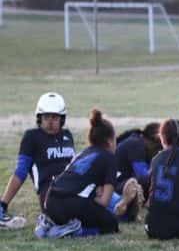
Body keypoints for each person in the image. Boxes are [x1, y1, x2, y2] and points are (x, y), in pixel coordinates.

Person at [42, 109, 125, 237]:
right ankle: (71, 232)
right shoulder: (109, 158)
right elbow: (104, 201)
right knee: (111, 223)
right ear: (109, 141)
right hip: (67, 203)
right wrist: (95, 197)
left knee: (90, 212)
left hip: (49, 200)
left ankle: (53, 224)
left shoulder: (83, 153)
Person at [1, 93, 75, 230]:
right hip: (50, 193)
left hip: (73, 187)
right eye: (46, 117)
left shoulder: (67, 135)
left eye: (55, 117)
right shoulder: (32, 137)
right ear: (39, 118)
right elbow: (20, 172)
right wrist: (3, 204)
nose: (50, 121)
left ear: (62, 118)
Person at [114, 122, 161, 220]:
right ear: (152, 141)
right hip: (117, 185)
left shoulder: (138, 142)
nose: (157, 152)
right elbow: (143, 176)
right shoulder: (136, 144)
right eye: (158, 148)